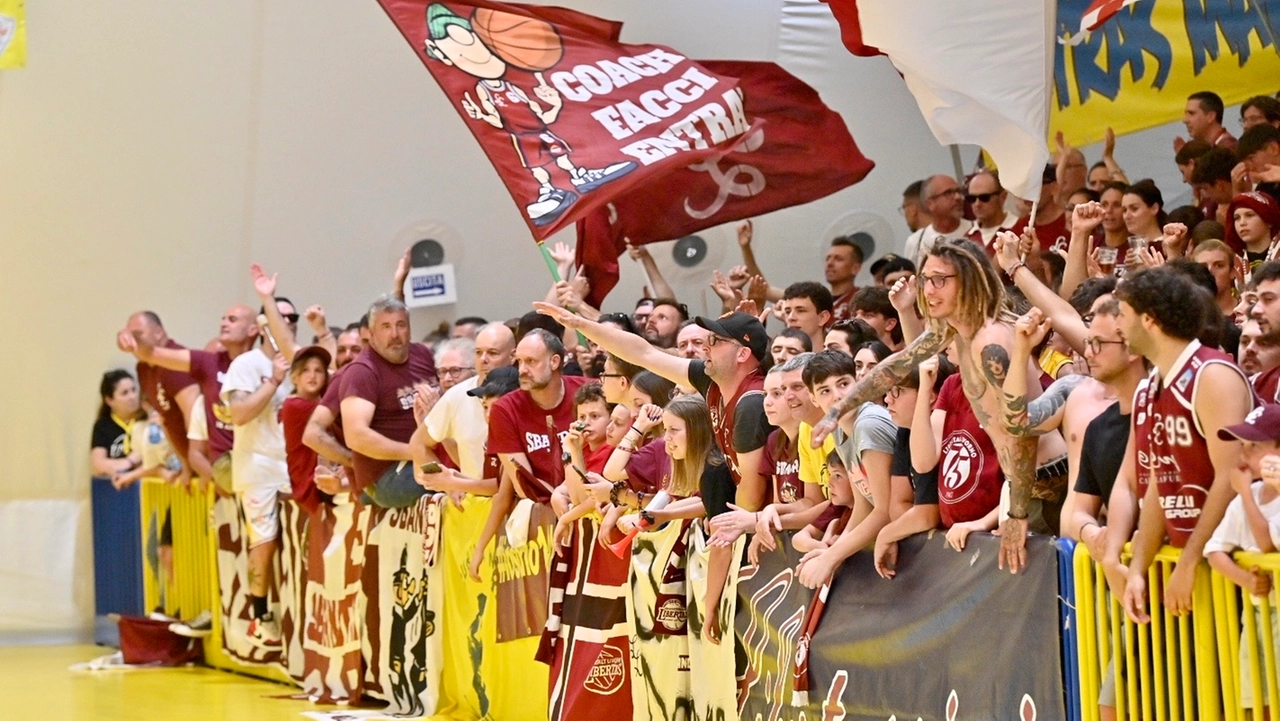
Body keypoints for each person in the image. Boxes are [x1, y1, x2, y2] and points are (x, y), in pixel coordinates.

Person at [812, 236, 1070, 572]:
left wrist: (1017, 514)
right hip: (1024, 483)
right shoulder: (956, 328)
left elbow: (1019, 436)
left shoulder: (991, 344)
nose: (927, 291)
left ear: (967, 280)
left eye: (939, 280)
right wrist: (838, 409)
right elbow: (899, 363)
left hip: (1044, 483)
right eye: (924, 280)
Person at [535, 303, 772, 512]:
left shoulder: (750, 402)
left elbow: (751, 500)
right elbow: (643, 353)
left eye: (715, 341)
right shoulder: (711, 379)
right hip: (746, 519)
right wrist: (579, 324)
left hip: (765, 522)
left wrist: (733, 528)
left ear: (742, 354)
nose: (706, 348)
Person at [1114, 267, 1251, 623]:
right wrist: (1138, 569)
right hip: (1194, 563)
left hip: (1236, 564)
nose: (1118, 326)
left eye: (1122, 315)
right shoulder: (1159, 381)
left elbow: (1231, 476)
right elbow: (1162, 480)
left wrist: (1190, 560)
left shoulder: (1212, 375)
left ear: (1149, 320)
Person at [117, 304, 261, 493]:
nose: (224, 323)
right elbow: (170, 420)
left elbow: (191, 413)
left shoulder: (263, 364)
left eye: (232, 320)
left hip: (255, 466)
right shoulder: (208, 363)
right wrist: (193, 467)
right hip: (219, 466)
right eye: (223, 318)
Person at [221, 295, 296, 647]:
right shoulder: (246, 365)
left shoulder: (302, 360)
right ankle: (260, 612)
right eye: (281, 317)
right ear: (264, 326)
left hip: (295, 462)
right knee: (264, 539)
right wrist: (273, 381)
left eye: (293, 317)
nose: (290, 322)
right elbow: (238, 413)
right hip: (259, 466)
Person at [795, 350, 896, 588]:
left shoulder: (868, 424)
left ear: (858, 382)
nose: (838, 396)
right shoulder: (840, 427)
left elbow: (885, 510)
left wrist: (831, 558)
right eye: (825, 391)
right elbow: (864, 502)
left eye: (843, 384)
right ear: (813, 398)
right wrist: (833, 548)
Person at [1206, 405, 1280, 712]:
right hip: (1256, 617)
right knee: (1257, 702)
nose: (1244, 457)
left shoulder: (1247, 496)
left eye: (1255, 447)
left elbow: (1267, 544)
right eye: (1243, 447)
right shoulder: (1246, 496)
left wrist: (1246, 494)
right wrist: (1246, 579)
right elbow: (1214, 550)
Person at [340, 296, 438, 508]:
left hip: (426, 455)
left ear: (409, 329)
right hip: (388, 475)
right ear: (372, 334)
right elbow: (356, 437)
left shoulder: (422, 354)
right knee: (451, 479)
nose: (394, 334)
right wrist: (415, 451)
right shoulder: (361, 372)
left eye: (400, 325)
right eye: (386, 327)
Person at [412, 322, 515, 485]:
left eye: (492, 353)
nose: (483, 360)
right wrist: (449, 486)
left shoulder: (525, 394)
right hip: (476, 499)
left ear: (513, 356)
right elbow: (418, 443)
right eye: (478, 352)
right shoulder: (456, 395)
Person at [122, 312, 198, 482]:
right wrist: (186, 465)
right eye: (130, 336)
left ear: (159, 332)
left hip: (206, 460)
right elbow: (166, 419)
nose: (133, 342)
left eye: (138, 335)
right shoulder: (143, 368)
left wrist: (198, 462)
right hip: (188, 462)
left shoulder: (175, 360)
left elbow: (194, 416)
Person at [281, 345, 338, 516]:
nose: (312, 376)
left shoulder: (312, 404)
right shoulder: (295, 405)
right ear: (294, 376)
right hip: (308, 481)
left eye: (318, 371)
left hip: (315, 477)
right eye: (306, 370)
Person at [903, 175, 973, 262]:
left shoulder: (976, 231)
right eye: (948, 193)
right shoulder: (915, 242)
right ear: (930, 204)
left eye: (959, 191)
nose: (958, 197)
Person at [91, 371, 143, 485]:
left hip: (146, 484)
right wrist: (128, 462)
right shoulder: (103, 425)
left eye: (134, 390)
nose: (132, 397)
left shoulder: (146, 419)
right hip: (117, 487)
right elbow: (99, 464)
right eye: (125, 393)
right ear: (109, 400)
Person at [1227, 191, 1280, 278]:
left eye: (1249, 215)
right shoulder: (1230, 262)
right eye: (1237, 218)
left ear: (1269, 221)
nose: (1242, 223)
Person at [964, 170, 1021, 250]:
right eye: (972, 199)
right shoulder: (967, 239)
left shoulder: (1021, 229)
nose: (977, 204)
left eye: (984, 198)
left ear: (1003, 197)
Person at [781, 282, 833, 350]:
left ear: (823, 317)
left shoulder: (839, 359)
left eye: (801, 311)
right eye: (787, 312)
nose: (791, 317)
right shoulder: (777, 357)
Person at [851, 287, 903, 351]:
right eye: (854, 315)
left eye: (868, 315)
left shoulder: (904, 359)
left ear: (890, 324)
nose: (856, 319)